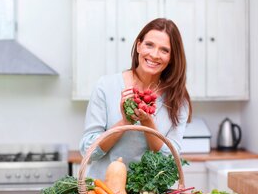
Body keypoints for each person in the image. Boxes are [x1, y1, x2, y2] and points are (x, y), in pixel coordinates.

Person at [79, 18, 192, 180]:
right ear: (139, 45)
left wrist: (148, 124)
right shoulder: (106, 86)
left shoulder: (178, 99)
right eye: (149, 45)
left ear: (172, 57)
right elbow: (88, 151)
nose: (154, 55)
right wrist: (125, 122)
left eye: (164, 50)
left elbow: (169, 159)